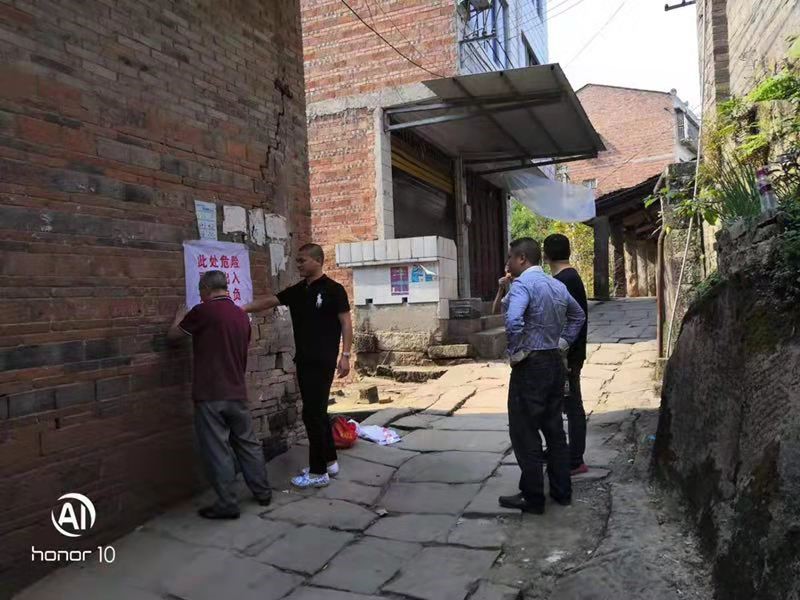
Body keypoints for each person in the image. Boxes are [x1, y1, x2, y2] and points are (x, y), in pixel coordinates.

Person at [244, 243, 353, 489]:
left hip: (323, 360)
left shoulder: (334, 290)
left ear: (317, 260)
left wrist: (345, 355)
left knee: (312, 415)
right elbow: (270, 301)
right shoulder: (299, 290)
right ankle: (330, 463)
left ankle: (317, 473)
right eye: (297, 261)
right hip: (304, 359)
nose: (298, 265)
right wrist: (239, 308)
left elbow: (346, 323)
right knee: (317, 412)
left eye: (302, 260)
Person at [167, 270, 272, 520]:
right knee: (248, 444)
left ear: (206, 288)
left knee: (218, 450)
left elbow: (173, 337)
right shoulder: (241, 316)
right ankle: (263, 492)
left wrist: (178, 318)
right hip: (237, 391)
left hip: (210, 393)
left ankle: (227, 503)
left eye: (200, 291)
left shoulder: (203, 312)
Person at [499, 237, 585, 514]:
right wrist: (563, 343)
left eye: (511, 257)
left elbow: (513, 320)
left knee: (524, 431)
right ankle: (562, 492)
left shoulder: (523, 285)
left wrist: (516, 352)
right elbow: (578, 316)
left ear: (522, 258)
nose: (508, 263)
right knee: (554, 429)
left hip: (531, 364)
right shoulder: (556, 285)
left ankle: (533, 496)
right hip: (554, 361)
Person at [544, 233, 590, 476]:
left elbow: (573, 319)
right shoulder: (567, 278)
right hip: (568, 352)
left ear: (546, 256)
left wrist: (565, 349)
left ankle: (575, 459)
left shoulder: (566, 280)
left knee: (572, 404)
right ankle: (562, 451)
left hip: (568, 354)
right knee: (562, 403)